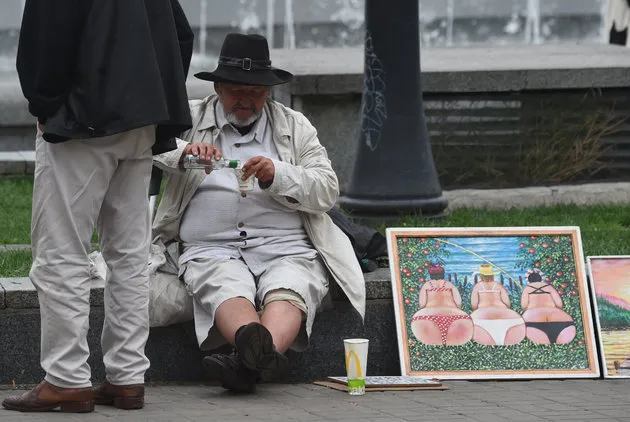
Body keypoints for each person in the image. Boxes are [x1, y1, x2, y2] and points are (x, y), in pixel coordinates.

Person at [2, 0, 194, 414]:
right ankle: (127, 378)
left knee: (60, 253)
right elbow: (181, 33)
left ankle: (67, 379)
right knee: (128, 256)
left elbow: (45, 33)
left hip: (80, 119)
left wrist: (44, 104)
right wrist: (154, 95)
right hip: (142, 118)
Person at [151, 33, 366, 394]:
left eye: (255, 92)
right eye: (237, 90)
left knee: (292, 284)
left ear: (268, 92)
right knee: (222, 281)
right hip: (211, 247)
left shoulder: (294, 126)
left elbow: (327, 188)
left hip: (285, 246)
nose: (246, 100)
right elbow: (152, 145)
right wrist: (188, 153)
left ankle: (245, 363)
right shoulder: (188, 116)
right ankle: (257, 360)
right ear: (218, 86)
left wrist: (277, 175)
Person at [411, 264, 473, 346]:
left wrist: (425, 310)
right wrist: (456, 310)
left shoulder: (427, 285)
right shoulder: (449, 284)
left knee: (430, 337)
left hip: (427, 317)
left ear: (431, 275)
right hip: (456, 316)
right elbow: (458, 302)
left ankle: (437, 340)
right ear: (443, 274)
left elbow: (422, 303)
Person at [469, 264, 525, 346]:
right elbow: (507, 303)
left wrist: (476, 313)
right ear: (492, 275)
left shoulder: (477, 287)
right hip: (507, 317)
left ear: (480, 275)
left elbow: (474, 305)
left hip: (483, 317)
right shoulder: (499, 286)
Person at [520, 269, 576, 345]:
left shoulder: (527, 289)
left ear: (528, 280)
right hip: (562, 323)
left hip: (532, 322)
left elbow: (524, 306)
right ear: (541, 278)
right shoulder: (549, 287)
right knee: (561, 342)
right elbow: (559, 304)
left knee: (542, 343)